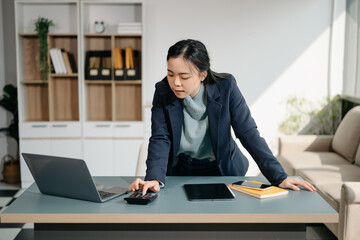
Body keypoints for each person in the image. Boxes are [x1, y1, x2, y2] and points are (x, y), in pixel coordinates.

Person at [129, 39, 315, 195]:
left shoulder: (226, 87)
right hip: (180, 169)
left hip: (221, 168)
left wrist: (279, 176)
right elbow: (160, 138)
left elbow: (248, 133)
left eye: (184, 77)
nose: (175, 83)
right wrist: (153, 178)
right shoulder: (163, 91)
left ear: (203, 74)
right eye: (170, 74)